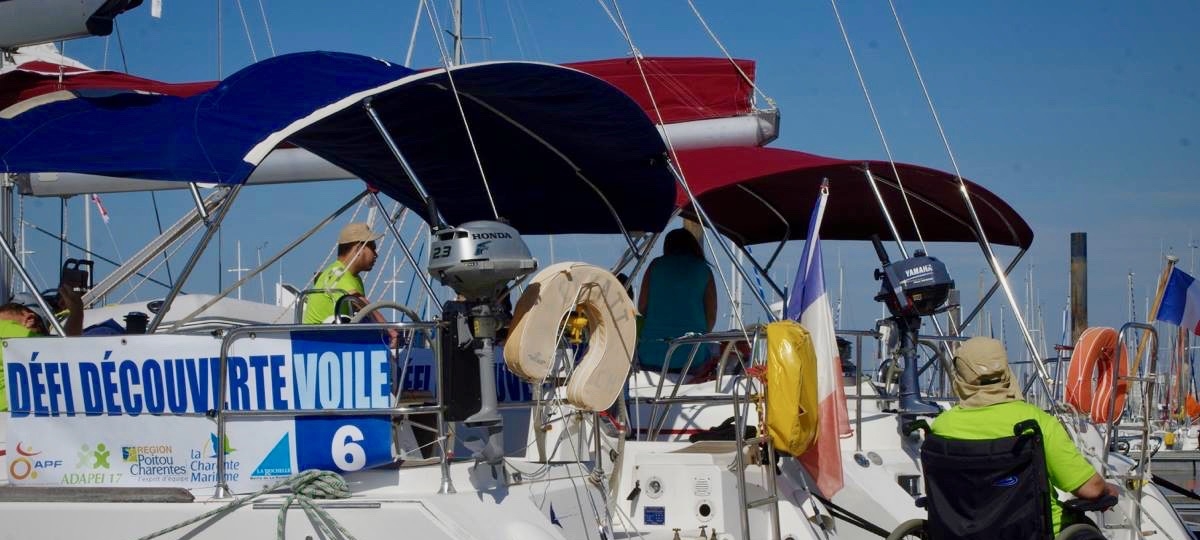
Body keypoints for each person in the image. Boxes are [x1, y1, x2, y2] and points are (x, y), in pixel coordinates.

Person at [932, 336, 1118, 536]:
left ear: (960, 376)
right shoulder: (1035, 422)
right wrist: (1107, 489)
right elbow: (1090, 489)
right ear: (1005, 371)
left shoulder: (941, 426)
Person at [302, 223, 398, 346]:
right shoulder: (338, 274)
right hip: (317, 342)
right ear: (358, 248)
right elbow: (363, 305)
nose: (376, 254)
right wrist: (390, 331)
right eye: (373, 248)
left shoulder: (354, 277)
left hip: (333, 340)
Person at [636, 228, 716, 372]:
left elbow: (642, 307)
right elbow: (711, 316)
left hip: (651, 353)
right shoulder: (704, 269)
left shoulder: (655, 266)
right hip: (692, 356)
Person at [0, 282, 84, 412]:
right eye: (40, 333)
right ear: (30, 320)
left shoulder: (5, 331)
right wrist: (77, 311)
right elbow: (66, 350)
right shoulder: (12, 333)